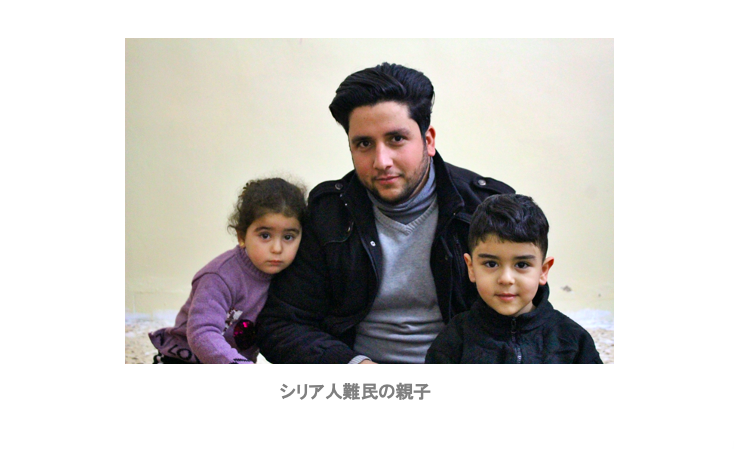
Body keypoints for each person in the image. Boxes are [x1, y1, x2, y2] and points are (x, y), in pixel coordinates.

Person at [257, 62, 515, 364]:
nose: (381, 161)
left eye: (396, 139)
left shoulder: (485, 209)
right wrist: (354, 367)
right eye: (364, 144)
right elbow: (282, 325)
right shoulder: (328, 213)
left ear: (428, 140)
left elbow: (527, 317)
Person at [425, 194, 602, 363]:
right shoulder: (454, 340)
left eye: (522, 265)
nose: (506, 279)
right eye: (491, 264)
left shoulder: (573, 340)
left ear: (543, 271)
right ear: (471, 268)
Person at [148, 178, 307, 364]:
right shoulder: (219, 276)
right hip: (184, 359)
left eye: (288, 237)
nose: (277, 249)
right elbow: (202, 333)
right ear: (241, 236)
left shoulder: (292, 275)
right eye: (265, 236)